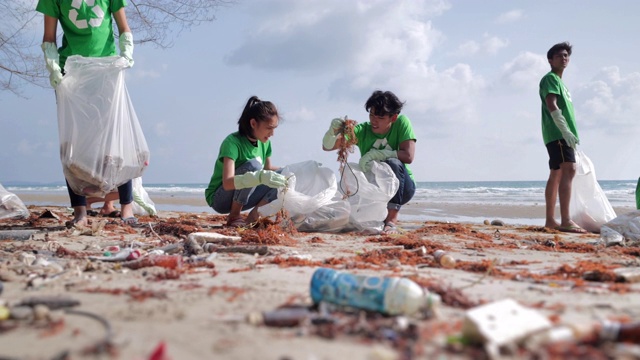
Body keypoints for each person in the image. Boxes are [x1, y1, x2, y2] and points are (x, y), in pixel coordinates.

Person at [37, 0, 137, 227]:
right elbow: (49, 38)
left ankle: (126, 207)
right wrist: (53, 68)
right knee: (73, 142)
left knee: (114, 138)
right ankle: (80, 212)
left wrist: (127, 53)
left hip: (107, 68)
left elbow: (124, 27)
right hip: (71, 71)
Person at [322, 90, 416, 235]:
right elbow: (327, 147)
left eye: (380, 117)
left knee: (392, 162)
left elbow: (408, 156)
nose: (374, 121)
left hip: (403, 187)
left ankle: (391, 220)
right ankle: (379, 218)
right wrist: (332, 132)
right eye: (371, 115)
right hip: (375, 189)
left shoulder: (401, 123)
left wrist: (378, 154)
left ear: (393, 118)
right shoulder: (362, 130)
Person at [205, 96, 288, 228]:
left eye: (274, 128)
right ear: (253, 123)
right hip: (220, 198)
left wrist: (290, 170)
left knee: (284, 175)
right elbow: (227, 183)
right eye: (269, 128)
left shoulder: (265, 143)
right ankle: (234, 215)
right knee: (253, 166)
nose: (272, 133)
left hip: (245, 195)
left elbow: (267, 169)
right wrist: (258, 176)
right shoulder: (232, 142)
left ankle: (254, 215)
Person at [539, 42, 587, 233]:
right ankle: (565, 220)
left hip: (559, 133)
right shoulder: (550, 79)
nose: (564, 58)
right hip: (558, 132)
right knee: (569, 170)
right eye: (559, 55)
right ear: (550, 60)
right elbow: (551, 103)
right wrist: (565, 130)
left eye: (566, 55)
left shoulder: (562, 84)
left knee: (556, 173)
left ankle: (551, 220)